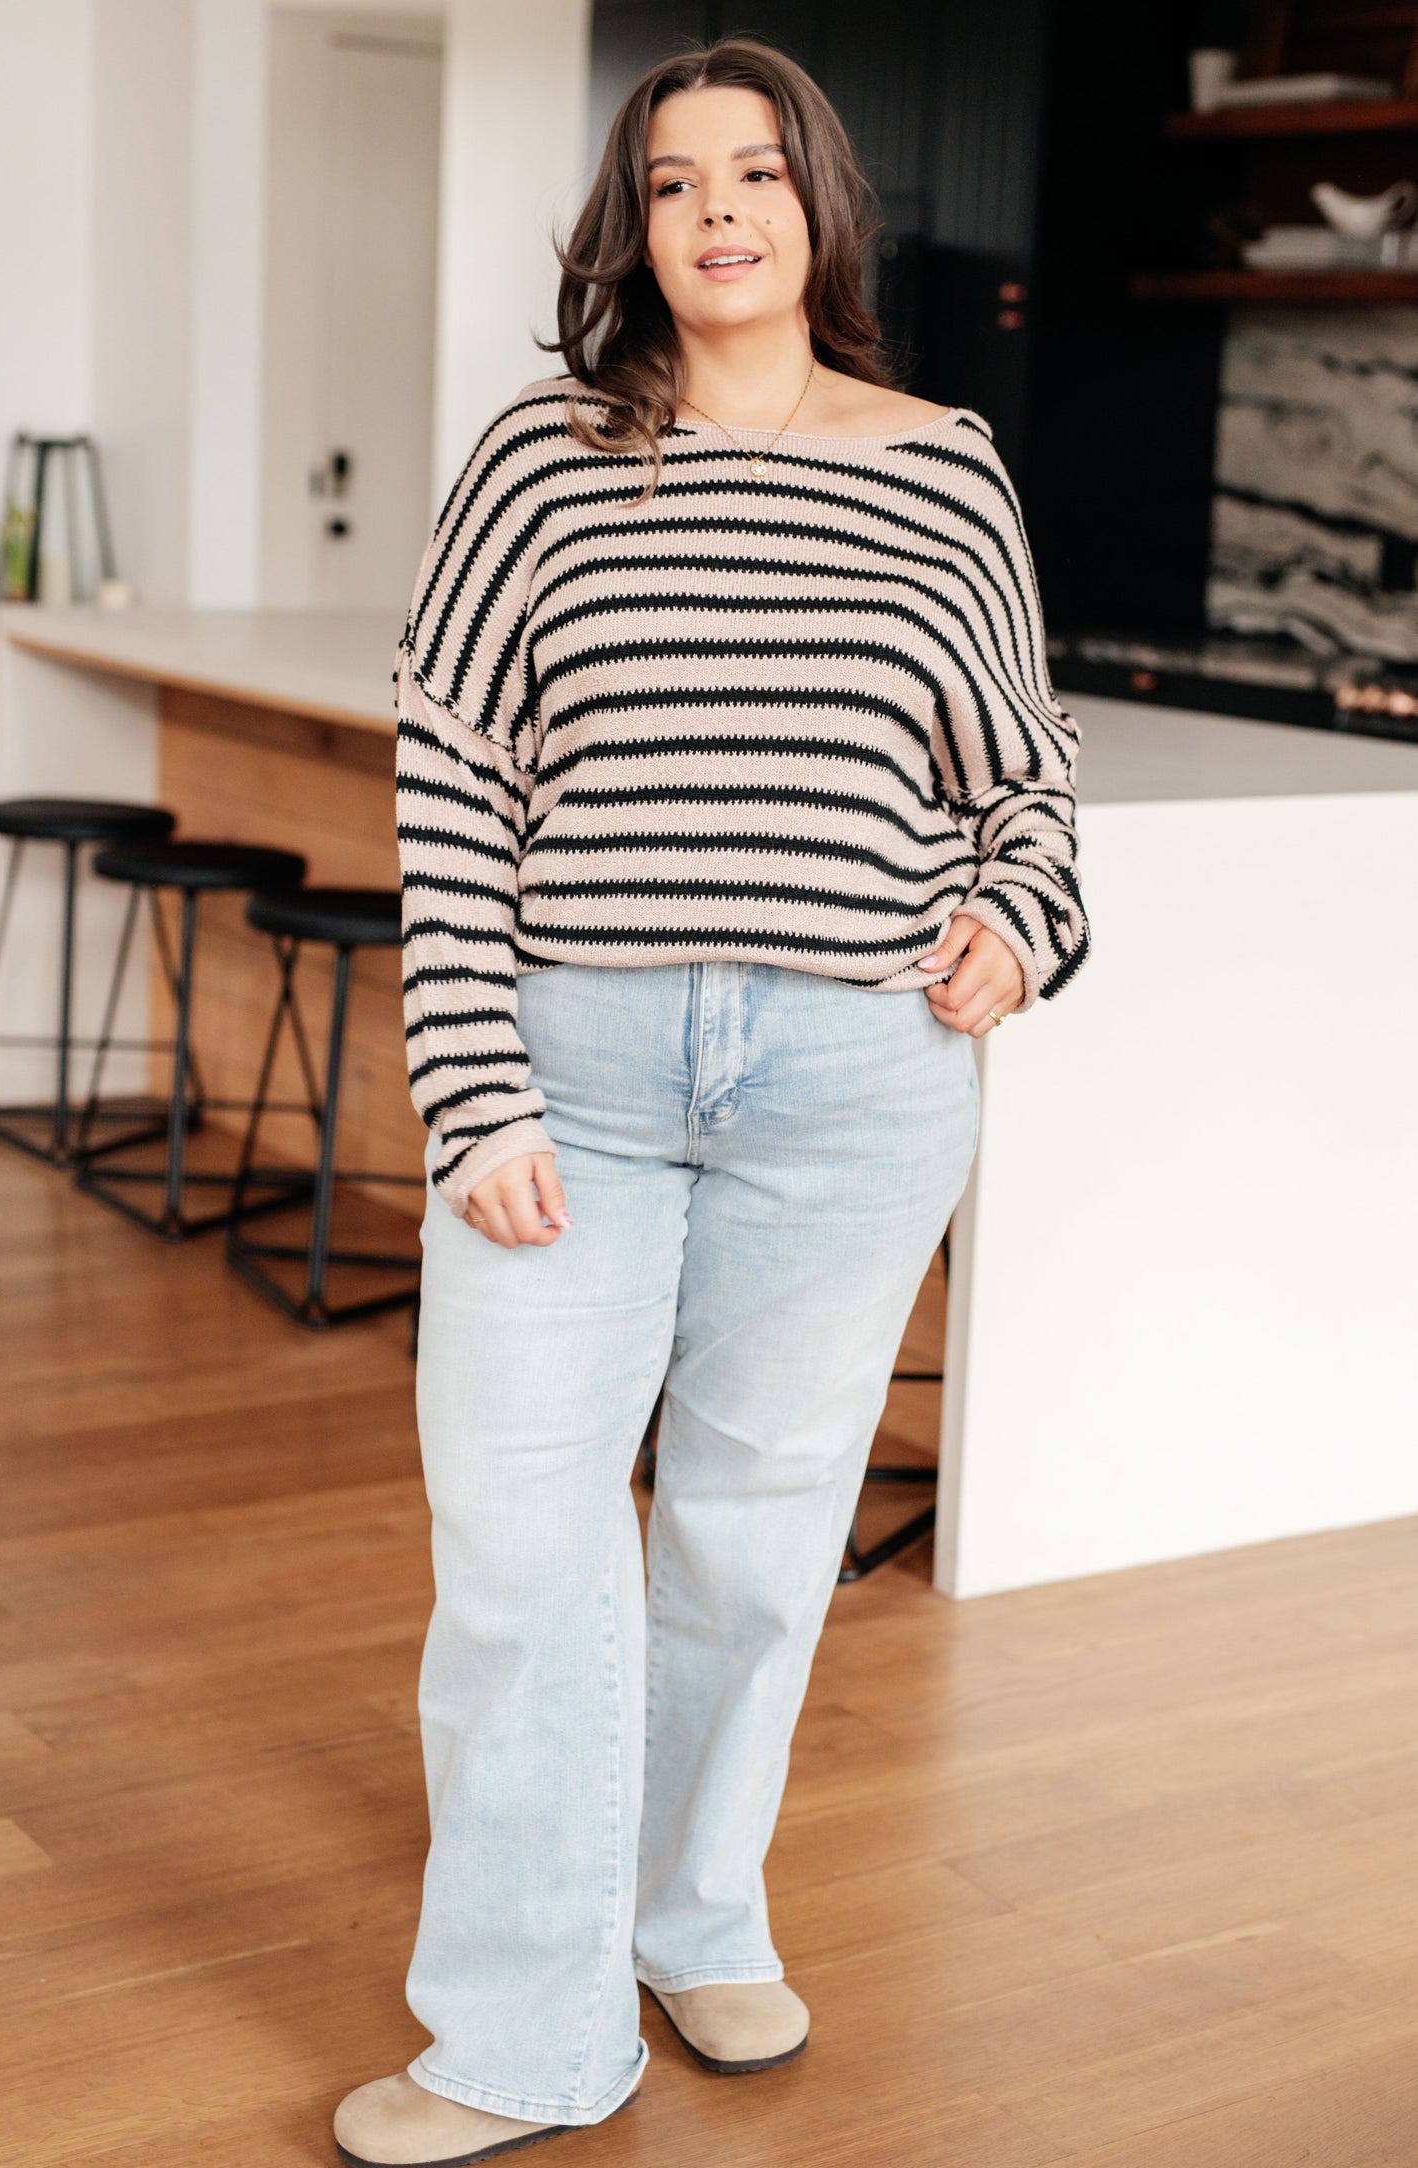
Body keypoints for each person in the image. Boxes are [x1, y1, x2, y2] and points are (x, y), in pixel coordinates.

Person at [335, 33, 1090, 2168]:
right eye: (677, 184)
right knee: (516, 1543)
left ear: (820, 209)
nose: (722, 211)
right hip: (571, 1065)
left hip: (853, 1081)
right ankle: (517, 2034)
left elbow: (1020, 784)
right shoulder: (543, 462)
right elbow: (452, 777)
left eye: (759, 174)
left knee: (754, 1546)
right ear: (634, 228)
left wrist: (1022, 924)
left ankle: (689, 1911)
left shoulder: (944, 465)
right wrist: (468, 1083)